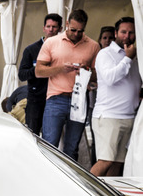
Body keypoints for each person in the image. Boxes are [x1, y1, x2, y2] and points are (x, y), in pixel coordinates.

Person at [35, 9, 100, 161]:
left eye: (81, 31)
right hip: (56, 98)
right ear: (66, 24)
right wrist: (60, 68)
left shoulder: (93, 45)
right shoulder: (52, 42)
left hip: (79, 100)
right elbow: (38, 71)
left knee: (72, 148)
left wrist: (87, 71)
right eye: (73, 30)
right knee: (49, 146)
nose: (77, 34)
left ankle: (67, 182)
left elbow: (98, 75)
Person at [90, 17, 138, 177]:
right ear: (116, 33)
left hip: (129, 116)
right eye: (123, 32)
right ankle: (84, 192)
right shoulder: (105, 54)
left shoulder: (136, 56)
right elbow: (110, 78)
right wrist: (127, 59)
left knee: (118, 164)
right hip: (108, 116)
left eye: (131, 32)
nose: (127, 36)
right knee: (105, 161)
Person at [18, 14, 62, 135]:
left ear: (60, 29)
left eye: (54, 26)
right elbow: (22, 75)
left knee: (52, 138)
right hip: (36, 100)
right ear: (44, 28)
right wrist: (38, 69)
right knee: (33, 135)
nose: (51, 30)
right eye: (48, 26)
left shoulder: (63, 49)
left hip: (56, 99)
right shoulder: (31, 50)